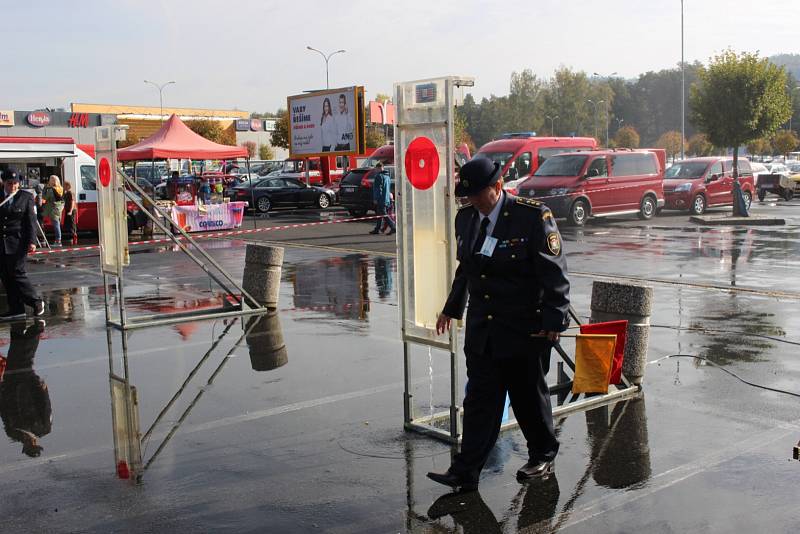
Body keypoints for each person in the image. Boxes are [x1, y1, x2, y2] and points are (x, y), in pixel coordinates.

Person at [426, 156, 570, 492]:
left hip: (523, 328)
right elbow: (467, 269)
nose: (473, 200)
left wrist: (555, 319)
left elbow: (555, 272)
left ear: (498, 186)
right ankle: (465, 472)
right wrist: (451, 308)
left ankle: (542, 456)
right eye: (468, 195)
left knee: (527, 399)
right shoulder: (466, 220)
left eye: (478, 193)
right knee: (479, 402)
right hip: (484, 331)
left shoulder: (531, 217)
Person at [0, 319, 50, 457]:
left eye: (28, 446)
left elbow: (4, 412)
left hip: (10, 385)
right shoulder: (43, 429)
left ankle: (18, 327)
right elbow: (45, 407)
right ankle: (36, 329)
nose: (30, 443)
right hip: (28, 386)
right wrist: (43, 390)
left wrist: (1, 390)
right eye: (33, 445)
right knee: (24, 359)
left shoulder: (13, 433)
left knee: (15, 356)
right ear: (36, 443)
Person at [0, 173, 45, 321]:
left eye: (15, 183)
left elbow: (31, 221)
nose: (12, 186)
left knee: (17, 273)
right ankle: (16, 309)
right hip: (1, 243)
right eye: (9, 183)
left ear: (19, 183)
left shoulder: (25, 197)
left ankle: (36, 301)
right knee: (6, 276)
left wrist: (32, 241)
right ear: (3, 182)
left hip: (18, 242)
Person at [369, 163, 396, 235]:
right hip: (387, 198)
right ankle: (377, 229)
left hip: (381, 199)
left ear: (378, 168)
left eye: (376, 168)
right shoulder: (387, 176)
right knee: (380, 213)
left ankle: (393, 227)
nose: (376, 170)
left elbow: (378, 189)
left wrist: (375, 198)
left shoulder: (378, 176)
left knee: (383, 213)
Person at [42, 175, 65, 246]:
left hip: (53, 209)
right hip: (58, 209)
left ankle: (58, 241)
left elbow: (44, 198)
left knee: (56, 225)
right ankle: (58, 240)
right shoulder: (60, 188)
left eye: (50, 180)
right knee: (57, 224)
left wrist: (45, 189)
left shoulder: (51, 190)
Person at [62, 181, 78, 245]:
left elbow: (72, 202)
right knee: (68, 224)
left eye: (64, 186)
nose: (63, 187)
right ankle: (71, 237)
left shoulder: (70, 193)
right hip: (68, 210)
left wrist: (71, 211)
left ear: (67, 186)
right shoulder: (66, 193)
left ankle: (74, 237)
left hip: (71, 210)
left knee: (72, 224)